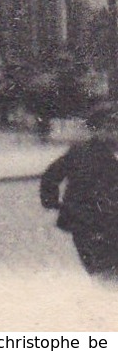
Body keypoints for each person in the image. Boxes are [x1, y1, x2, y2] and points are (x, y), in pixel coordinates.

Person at [40, 102, 118, 280]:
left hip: (106, 224)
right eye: (108, 128)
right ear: (96, 130)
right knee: (104, 274)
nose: (114, 133)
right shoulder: (82, 153)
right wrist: (51, 201)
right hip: (89, 224)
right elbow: (51, 175)